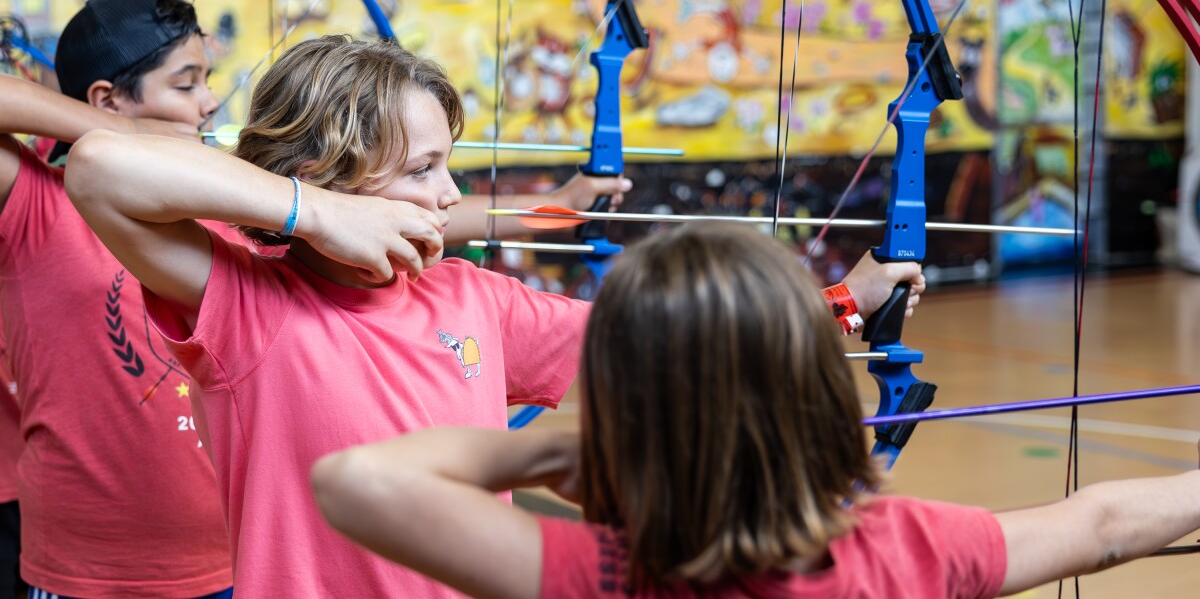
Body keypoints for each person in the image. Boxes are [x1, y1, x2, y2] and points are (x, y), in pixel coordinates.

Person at [64, 35, 923, 596]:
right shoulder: (247, 302)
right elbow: (99, 167)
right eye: (422, 169)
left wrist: (844, 303)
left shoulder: (475, 299)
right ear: (324, 172)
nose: (448, 196)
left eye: (451, 166)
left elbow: (685, 348)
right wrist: (319, 215)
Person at [311, 222, 1200, 599]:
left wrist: (567, 450)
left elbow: (356, 481)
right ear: (817, 391)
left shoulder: (607, 576)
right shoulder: (915, 549)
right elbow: (1110, 522)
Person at [0, 0, 235, 598]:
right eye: (185, 86)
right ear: (107, 98)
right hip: (86, 569)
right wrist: (125, 135)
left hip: (233, 554)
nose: (209, 104)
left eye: (206, 82)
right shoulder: (37, 202)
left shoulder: (233, 201)